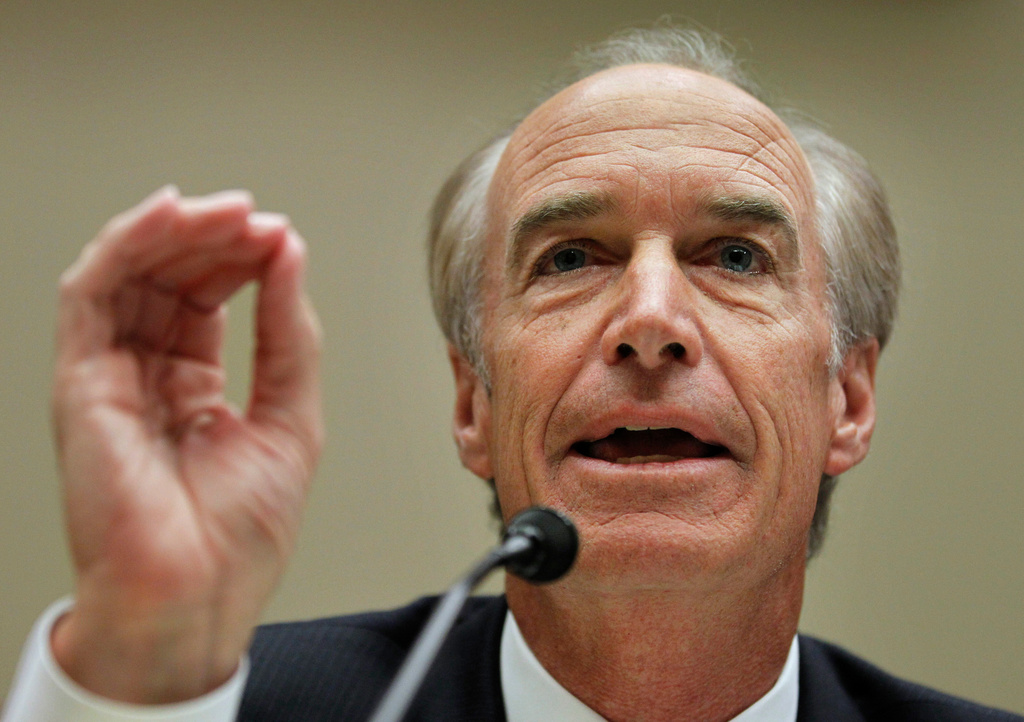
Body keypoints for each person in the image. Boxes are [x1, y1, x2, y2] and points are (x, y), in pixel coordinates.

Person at [2, 26, 1020, 722]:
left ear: (848, 398)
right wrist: (145, 643)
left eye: (735, 257)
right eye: (570, 257)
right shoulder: (203, 705)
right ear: (472, 401)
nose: (651, 322)